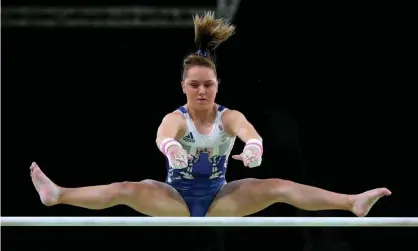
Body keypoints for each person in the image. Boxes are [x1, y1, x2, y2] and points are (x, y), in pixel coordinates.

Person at [30, 12, 391, 217]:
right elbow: (164, 134)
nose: (202, 91)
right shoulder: (177, 117)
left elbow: (248, 131)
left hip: (220, 199)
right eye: (195, 85)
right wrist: (172, 150)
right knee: (125, 188)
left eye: (208, 85)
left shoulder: (227, 116)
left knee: (278, 187)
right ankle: (58, 194)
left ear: (217, 86)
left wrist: (253, 149)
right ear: (183, 87)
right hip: (174, 199)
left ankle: (352, 202)